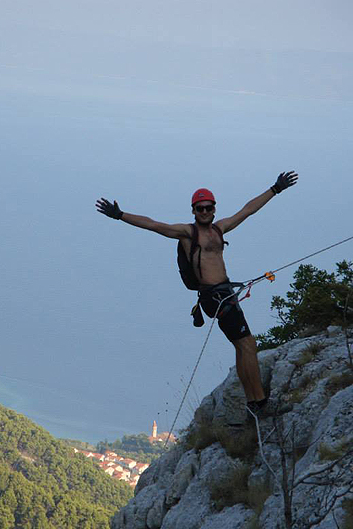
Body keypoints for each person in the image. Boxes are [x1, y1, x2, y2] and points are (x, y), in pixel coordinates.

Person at [95, 171, 298, 415]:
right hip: (214, 296)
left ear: (213, 209)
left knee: (241, 345)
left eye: (208, 208)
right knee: (247, 344)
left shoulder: (220, 228)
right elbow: (154, 225)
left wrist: (275, 189)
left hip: (224, 293)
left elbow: (247, 210)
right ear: (193, 211)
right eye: (199, 208)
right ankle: (260, 402)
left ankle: (254, 401)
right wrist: (120, 215)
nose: (204, 212)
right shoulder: (187, 233)